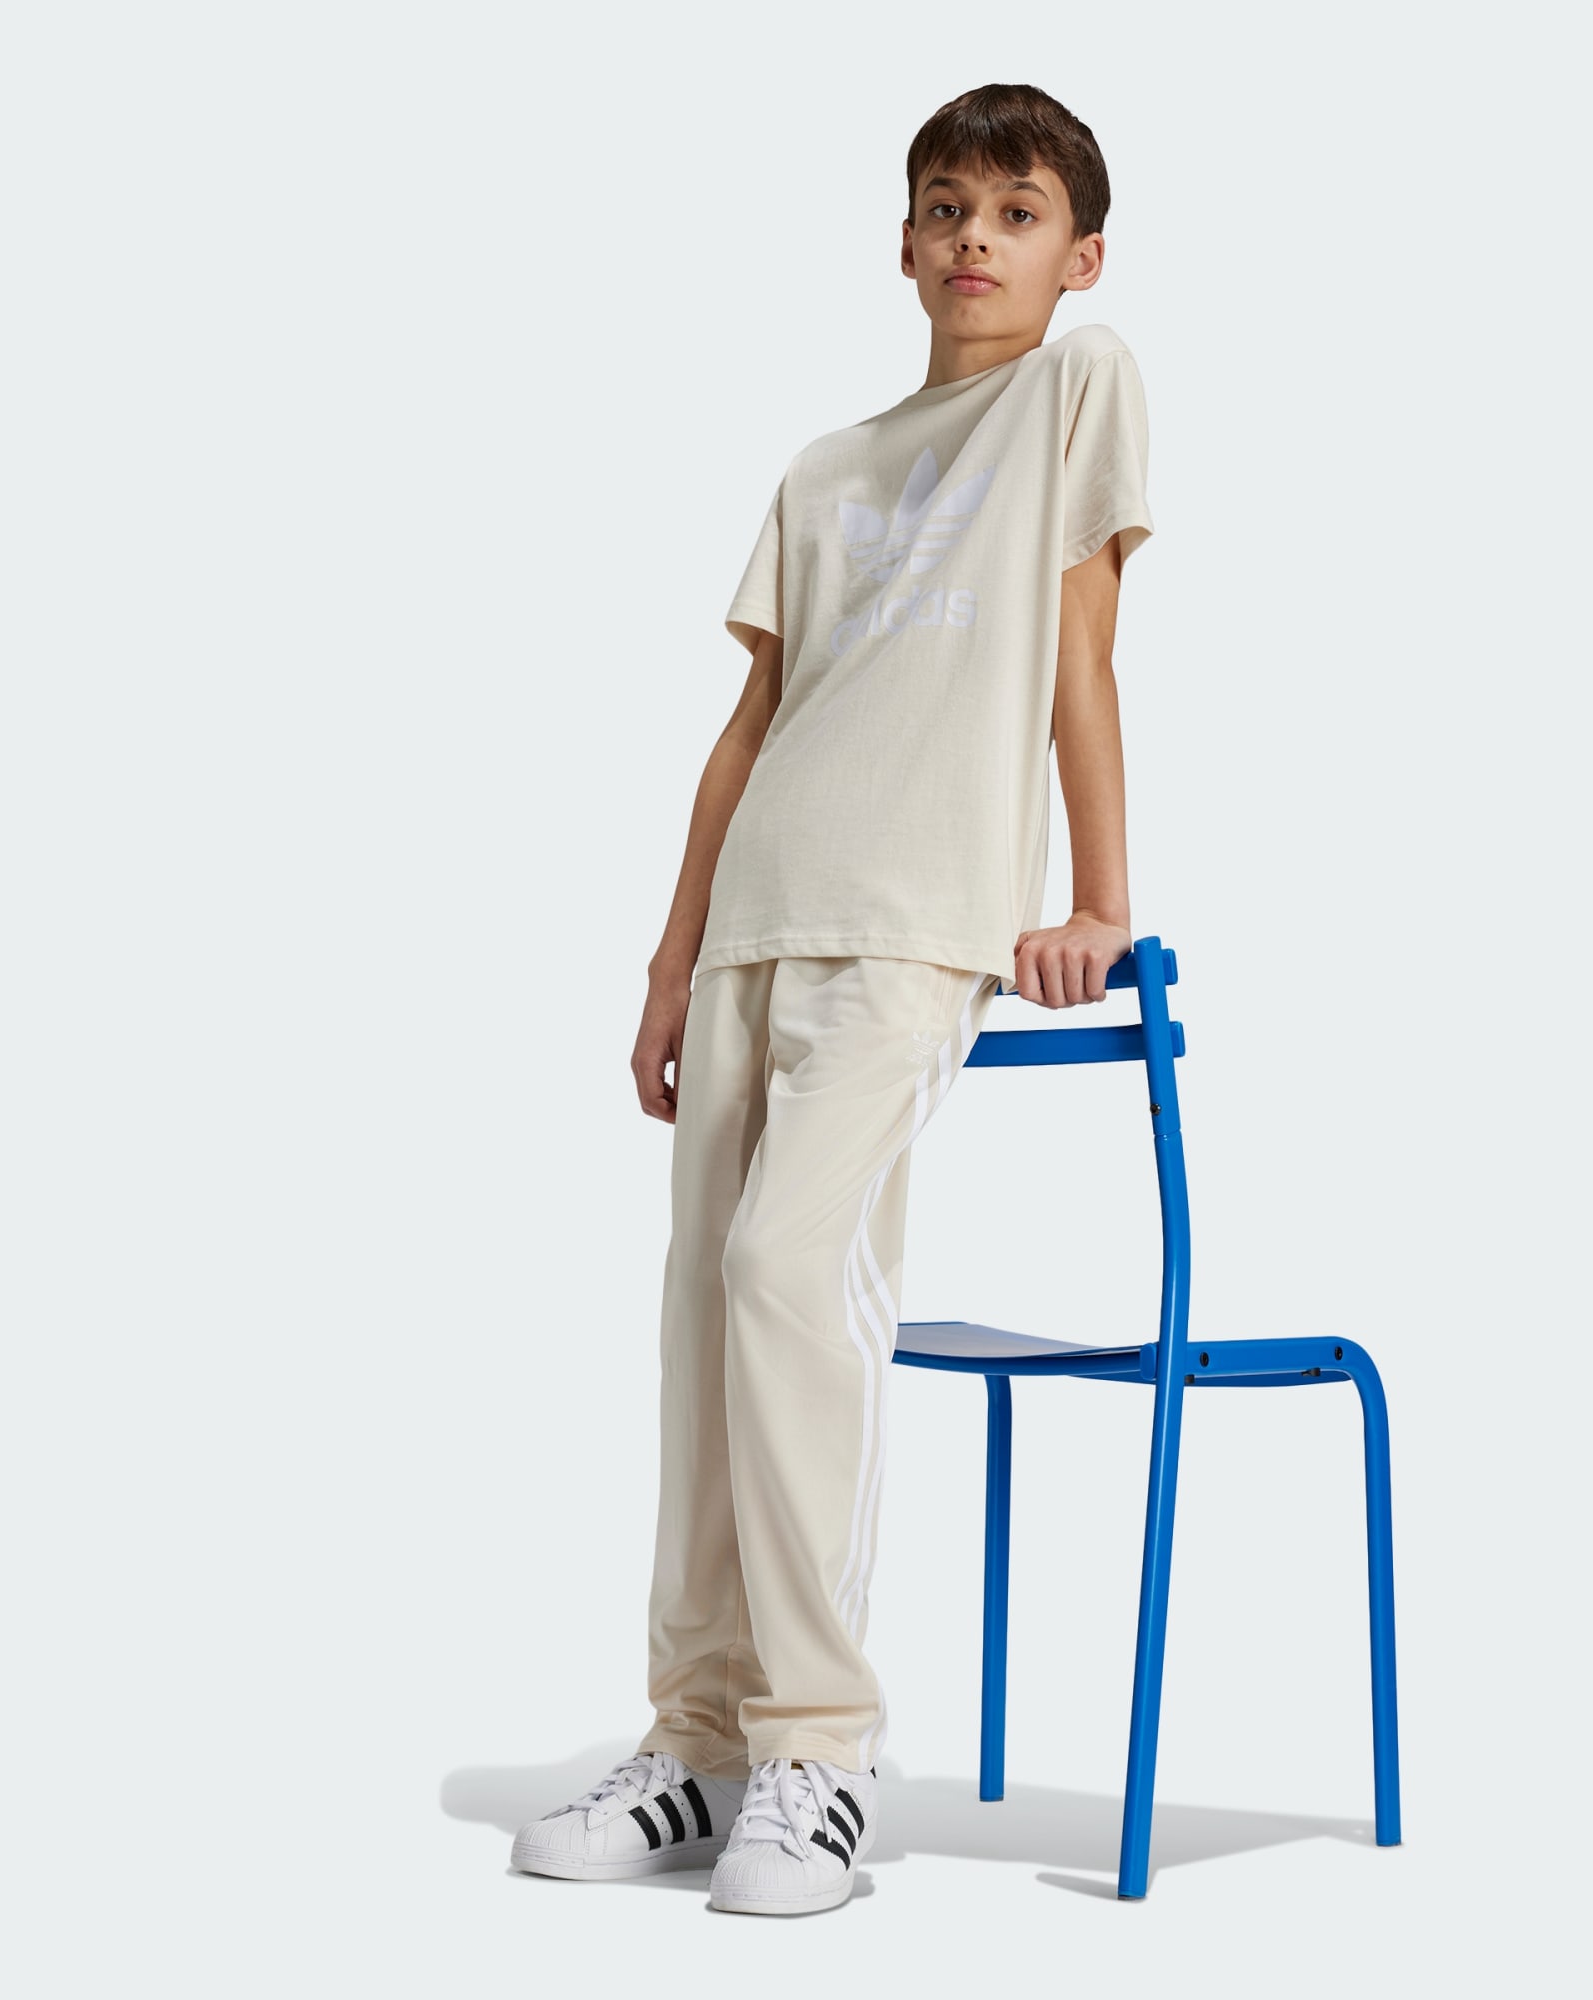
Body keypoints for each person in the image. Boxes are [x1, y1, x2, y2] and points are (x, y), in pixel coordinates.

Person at [509, 81, 1155, 1916]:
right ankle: (696, 1739)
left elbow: (1081, 653)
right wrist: (669, 959)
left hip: (914, 918)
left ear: (1079, 256)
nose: (975, 238)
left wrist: (1099, 902)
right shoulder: (827, 468)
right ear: (903, 240)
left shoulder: (1078, 389)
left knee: (792, 1275)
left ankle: (820, 1746)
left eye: (1016, 213)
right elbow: (748, 734)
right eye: (947, 206)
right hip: (754, 922)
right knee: (705, 1315)